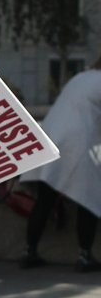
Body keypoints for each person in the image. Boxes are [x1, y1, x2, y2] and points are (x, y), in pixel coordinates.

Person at [19, 64, 101, 272]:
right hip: (77, 143)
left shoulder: (81, 77)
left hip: (52, 137)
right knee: (87, 198)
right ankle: (84, 255)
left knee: (45, 200)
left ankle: (29, 251)